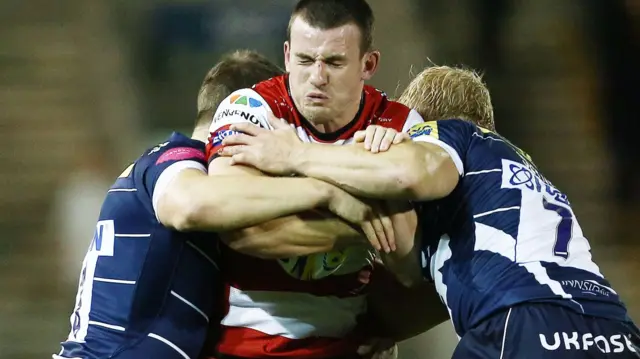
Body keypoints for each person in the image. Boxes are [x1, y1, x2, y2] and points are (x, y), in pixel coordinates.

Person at [54, 50, 375, 359]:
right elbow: (189, 207)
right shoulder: (175, 161)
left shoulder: (177, 169)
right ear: (251, 114)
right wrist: (326, 193)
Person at [200, 0, 440, 358]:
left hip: (344, 344)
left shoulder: (399, 127)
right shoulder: (250, 109)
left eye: (334, 62)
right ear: (286, 55)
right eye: (305, 60)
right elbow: (237, 225)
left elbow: (410, 265)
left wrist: (293, 164)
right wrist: (354, 199)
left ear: (368, 64)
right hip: (241, 344)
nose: (317, 77)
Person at [389, 65, 639, 358]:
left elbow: (405, 176)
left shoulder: (447, 134)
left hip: (523, 321)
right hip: (616, 330)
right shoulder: (523, 173)